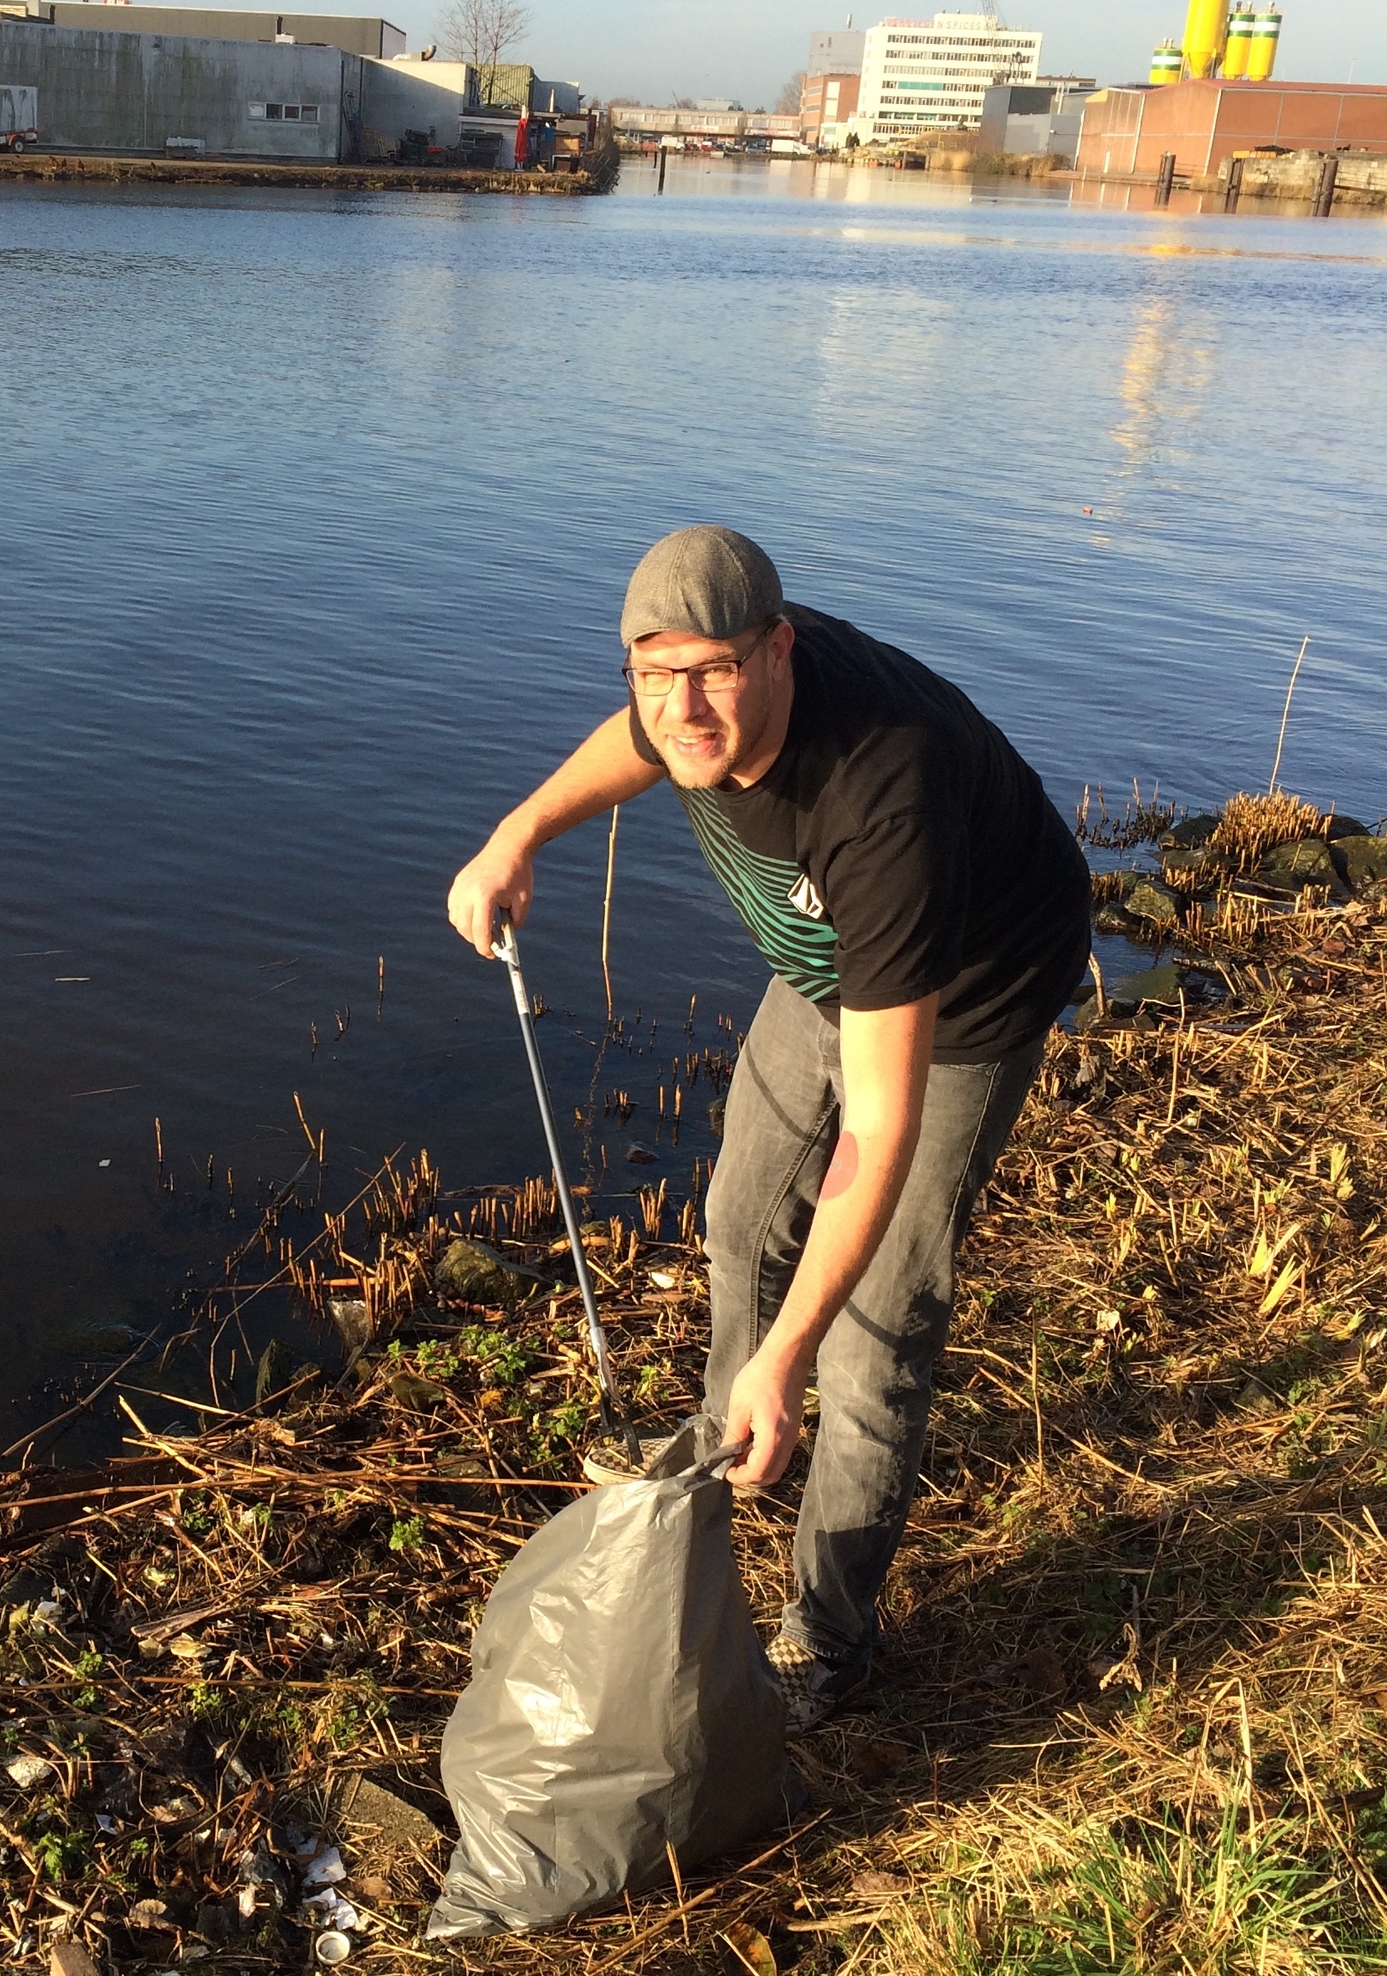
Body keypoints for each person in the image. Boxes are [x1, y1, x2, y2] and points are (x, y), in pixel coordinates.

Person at [446, 525, 1091, 1729]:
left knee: (870, 1333)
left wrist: (787, 1353)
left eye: (713, 675)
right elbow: (639, 743)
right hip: (827, 965)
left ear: (776, 649)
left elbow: (881, 1125)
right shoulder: (683, 693)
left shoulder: (880, 794)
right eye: (655, 675)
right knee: (741, 1210)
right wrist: (515, 835)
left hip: (962, 991)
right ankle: (723, 1432)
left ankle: (828, 1633)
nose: (683, 708)